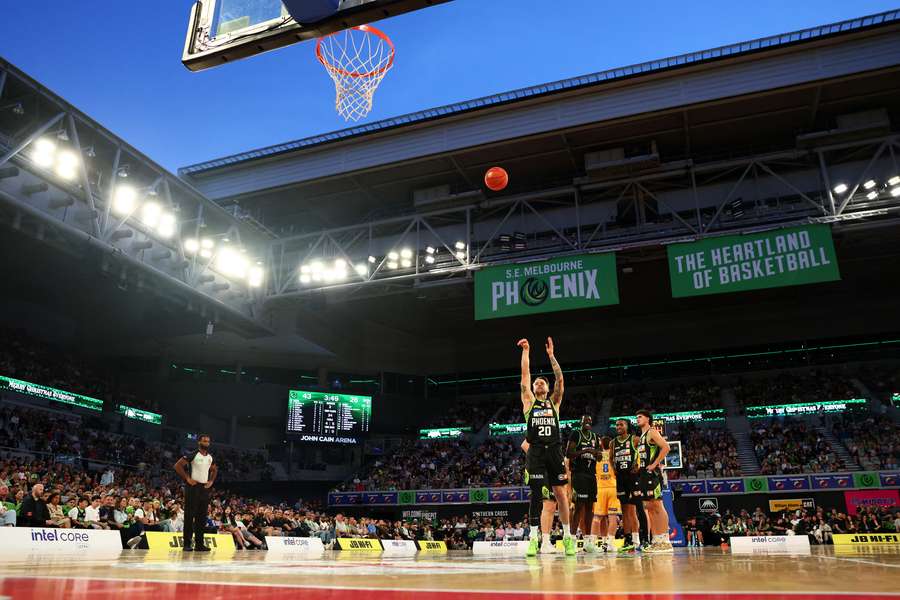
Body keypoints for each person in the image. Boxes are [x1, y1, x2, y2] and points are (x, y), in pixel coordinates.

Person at [519, 337, 575, 557]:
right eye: (536, 383)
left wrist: (551, 356)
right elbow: (525, 376)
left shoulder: (555, 402)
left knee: (561, 494)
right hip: (536, 454)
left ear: (548, 387)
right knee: (535, 494)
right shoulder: (528, 403)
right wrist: (526, 351)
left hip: (554, 452)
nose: (539, 383)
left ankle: (568, 537)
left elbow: (560, 380)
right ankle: (534, 539)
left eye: (543, 382)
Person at [634, 410, 673, 553]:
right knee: (649, 507)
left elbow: (666, 447)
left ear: (648, 419)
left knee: (657, 505)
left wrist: (655, 463)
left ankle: (665, 541)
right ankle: (656, 540)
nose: (637, 419)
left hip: (652, 474)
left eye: (640, 417)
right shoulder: (642, 436)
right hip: (643, 474)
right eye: (636, 417)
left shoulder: (652, 432)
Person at [174, 433, 218, 552]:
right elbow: (177, 466)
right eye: (204, 441)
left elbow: (214, 469)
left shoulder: (210, 457)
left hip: (204, 488)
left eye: (208, 441)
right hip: (192, 487)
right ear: (199, 442)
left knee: (201, 517)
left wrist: (211, 481)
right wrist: (187, 478)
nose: (206, 443)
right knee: (189, 516)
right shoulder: (192, 454)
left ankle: (199, 544)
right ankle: (187, 544)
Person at [566, 415, 600, 552]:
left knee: (590, 508)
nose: (587, 422)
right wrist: (585, 450)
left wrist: (596, 453)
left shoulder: (595, 437)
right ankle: (572, 541)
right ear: (580, 422)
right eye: (585, 420)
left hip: (591, 475)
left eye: (590, 421)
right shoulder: (576, 434)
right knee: (579, 507)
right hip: (579, 474)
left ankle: (588, 541)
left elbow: (599, 456)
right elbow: (569, 453)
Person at [612, 419, 642, 553]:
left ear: (627, 427)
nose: (618, 426)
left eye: (621, 424)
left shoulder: (635, 439)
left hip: (632, 477)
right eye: (617, 425)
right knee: (624, 510)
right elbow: (612, 459)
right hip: (621, 478)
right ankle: (628, 538)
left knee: (634, 509)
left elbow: (643, 453)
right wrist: (614, 470)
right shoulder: (613, 442)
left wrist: (638, 465)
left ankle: (637, 538)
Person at [593, 436, 621, 552]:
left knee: (597, 518)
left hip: (600, 488)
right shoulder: (615, 455)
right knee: (612, 517)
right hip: (613, 488)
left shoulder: (597, 456)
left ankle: (592, 543)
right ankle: (609, 543)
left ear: (601, 444)